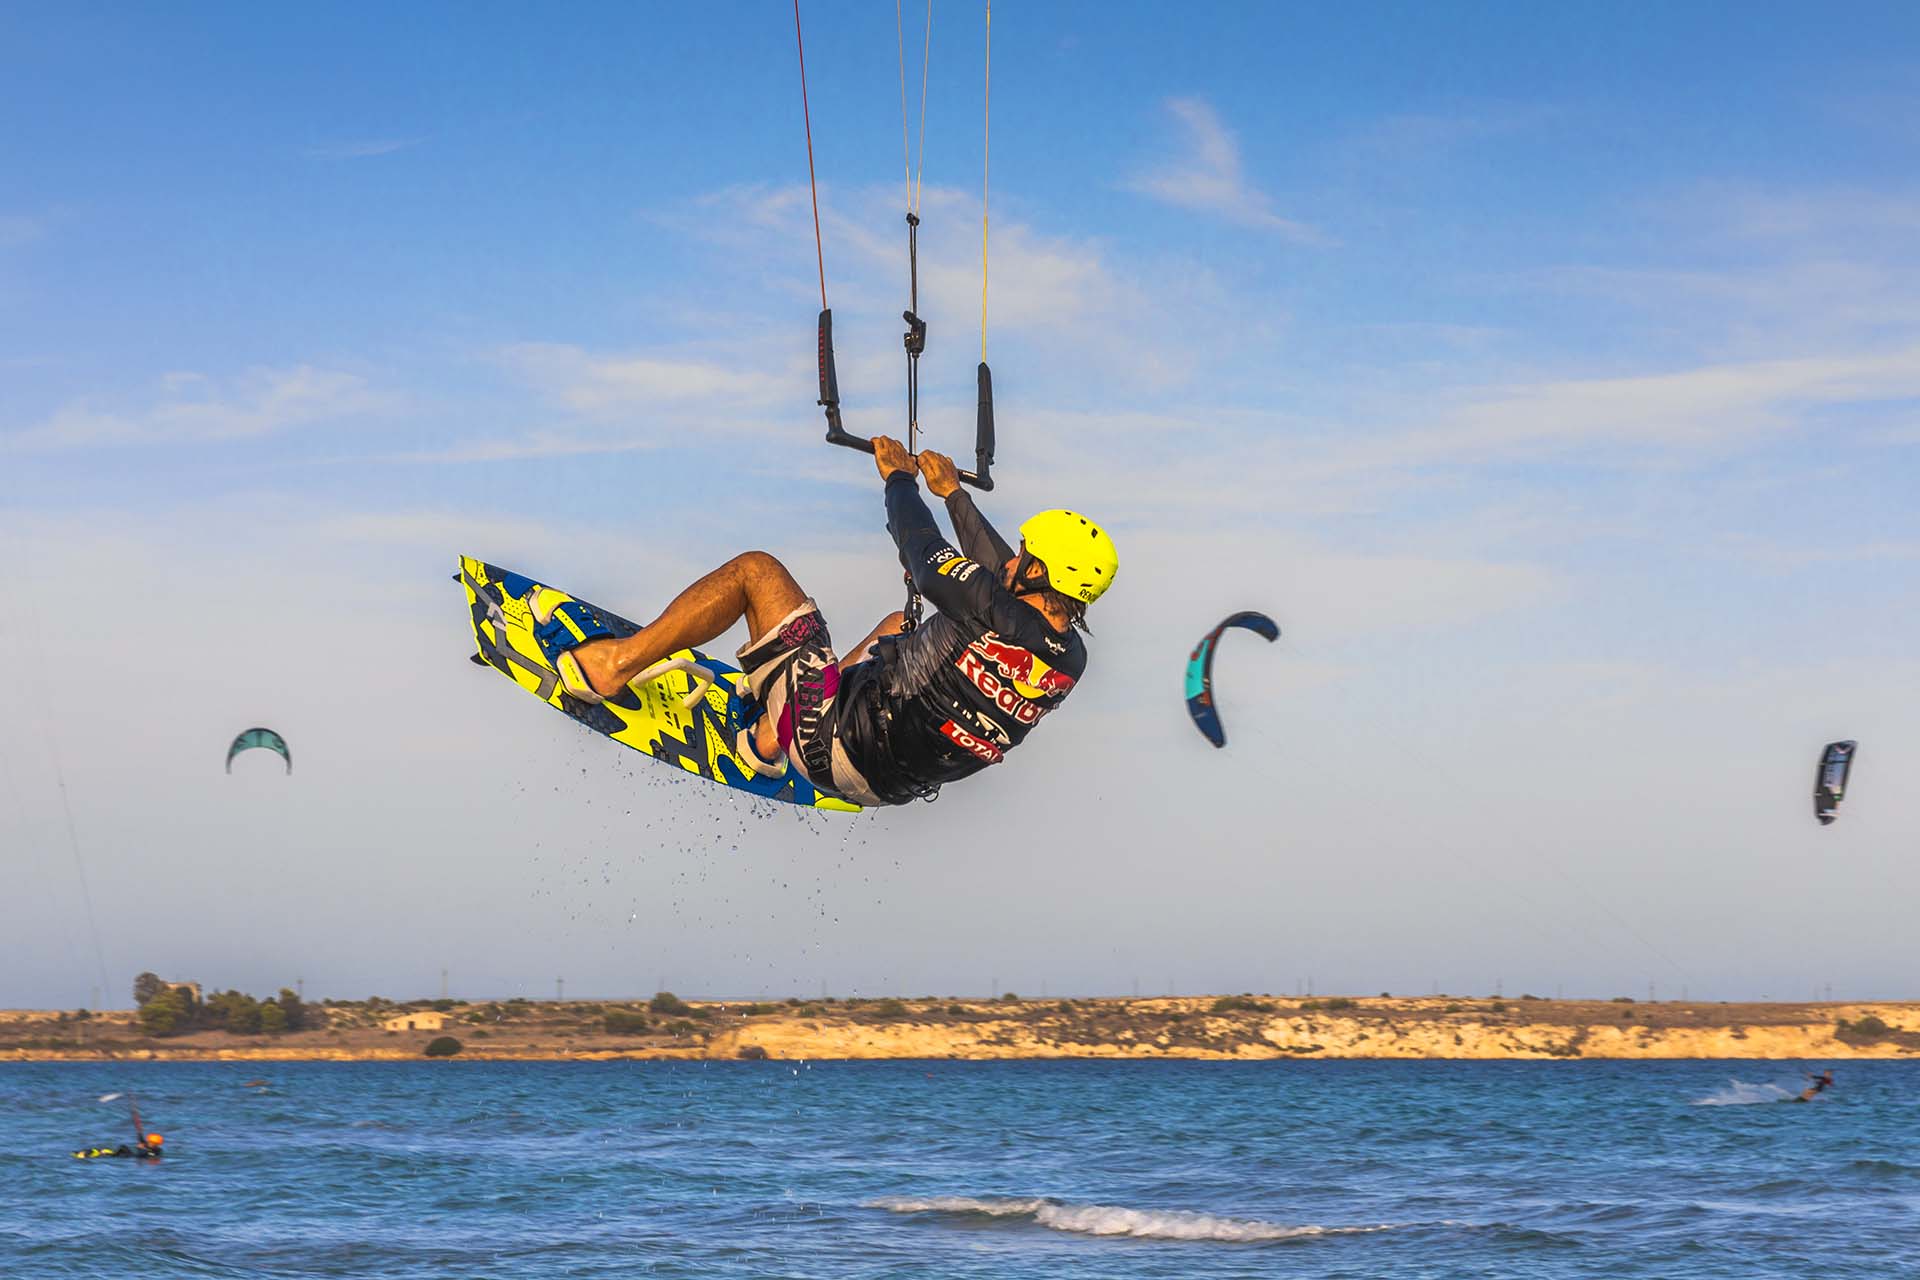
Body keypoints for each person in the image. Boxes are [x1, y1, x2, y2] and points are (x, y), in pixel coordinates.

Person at [530, 437, 1117, 806]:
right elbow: (990, 580)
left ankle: (612, 668)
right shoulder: (1070, 656)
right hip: (894, 785)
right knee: (898, 624)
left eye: (1024, 555)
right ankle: (764, 736)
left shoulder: (994, 607)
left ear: (1041, 572)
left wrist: (900, 481)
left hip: (833, 745)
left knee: (756, 573)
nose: (1012, 558)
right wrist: (953, 493)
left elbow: (925, 555)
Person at [74, 1133, 163, 1159]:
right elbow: (145, 1145)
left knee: (122, 1147)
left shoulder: (154, 1152)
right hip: (130, 1155)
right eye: (148, 1141)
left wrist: (140, 1147)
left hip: (128, 1156)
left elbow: (142, 1154)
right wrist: (140, 1137)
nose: (148, 1142)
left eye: (150, 1141)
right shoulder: (156, 1148)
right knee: (108, 1150)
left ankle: (89, 1155)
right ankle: (98, 1151)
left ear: (154, 1144)